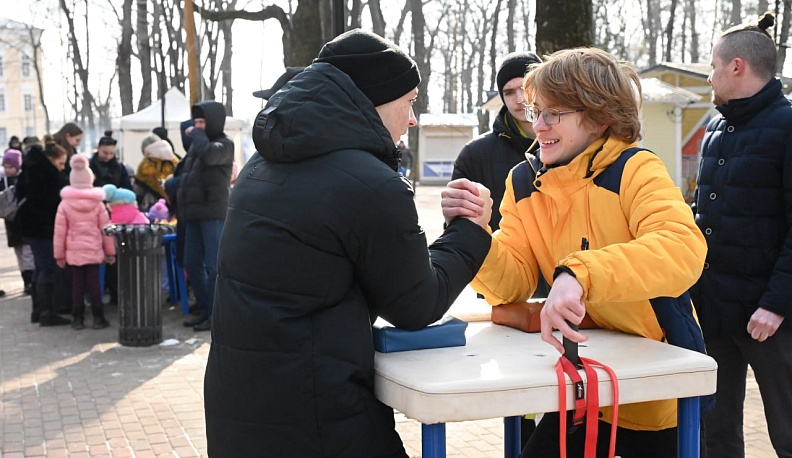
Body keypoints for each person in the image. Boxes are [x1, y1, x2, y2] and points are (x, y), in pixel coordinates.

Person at [203, 28, 493, 457]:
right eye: (410, 102)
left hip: (239, 408)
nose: (413, 119)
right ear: (374, 100)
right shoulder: (370, 185)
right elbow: (416, 304)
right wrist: (470, 229)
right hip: (318, 419)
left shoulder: (261, 165)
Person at [443, 47, 707, 458]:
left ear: (601, 118)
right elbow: (511, 282)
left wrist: (579, 275)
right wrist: (476, 235)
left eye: (555, 114)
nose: (539, 126)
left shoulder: (636, 169)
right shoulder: (525, 182)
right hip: (579, 387)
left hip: (656, 396)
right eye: (536, 111)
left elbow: (683, 247)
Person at [691, 13, 792, 458]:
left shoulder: (788, 125)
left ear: (736, 67)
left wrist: (776, 304)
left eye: (712, 65)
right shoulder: (715, 126)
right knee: (716, 432)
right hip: (713, 309)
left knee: (788, 431)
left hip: (770, 318)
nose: (709, 75)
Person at [452, 51, 541, 231]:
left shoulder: (572, 145)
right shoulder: (475, 155)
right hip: (497, 256)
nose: (520, 99)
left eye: (526, 88)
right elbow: (458, 231)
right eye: (509, 92)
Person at [176, 101, 234, 332]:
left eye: (202, 122)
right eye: (195, 122)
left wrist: (197, 135)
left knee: (212, 266)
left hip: (213, 214)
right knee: (192, 263)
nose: (197, 127)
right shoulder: (196, 147)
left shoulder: (224, 145)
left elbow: (210, 156)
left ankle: (215, 314)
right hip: (193, 215)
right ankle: (204, 308)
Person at [53, 155, 116, 330]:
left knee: (77, 284)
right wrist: (110, 252)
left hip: (73, 249)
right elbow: (106, 230)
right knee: (94, 283)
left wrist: (59, 254)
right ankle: (98, 317)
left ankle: (77, 319)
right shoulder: (98, 203)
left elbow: (59, 232)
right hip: (93, 248)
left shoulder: (65, 204)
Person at [15, 136, 71, 326]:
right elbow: (48, 203)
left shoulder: (31, 169)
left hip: (31, 227)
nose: (63, 168)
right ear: (52, 159)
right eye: (61, 163)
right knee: (46, 267)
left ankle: (38, 310)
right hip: (42, 228)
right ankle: (47, 312)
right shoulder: (46, 174)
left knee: (40, 267)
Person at [2, 149, 35, 294]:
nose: (8, 170)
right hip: (12, 223)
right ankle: (26, 280)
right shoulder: (2, 181)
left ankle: (29, 282)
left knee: (27, 253)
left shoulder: (24, 179)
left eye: (11, 167)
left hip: (23, 222)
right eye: (6, 167)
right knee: (19, 253)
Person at [133, 134, 177, 212]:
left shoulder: (146, 164)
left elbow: (138, 189)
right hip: (176, 206)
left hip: (151, 205)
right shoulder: (174, 160)